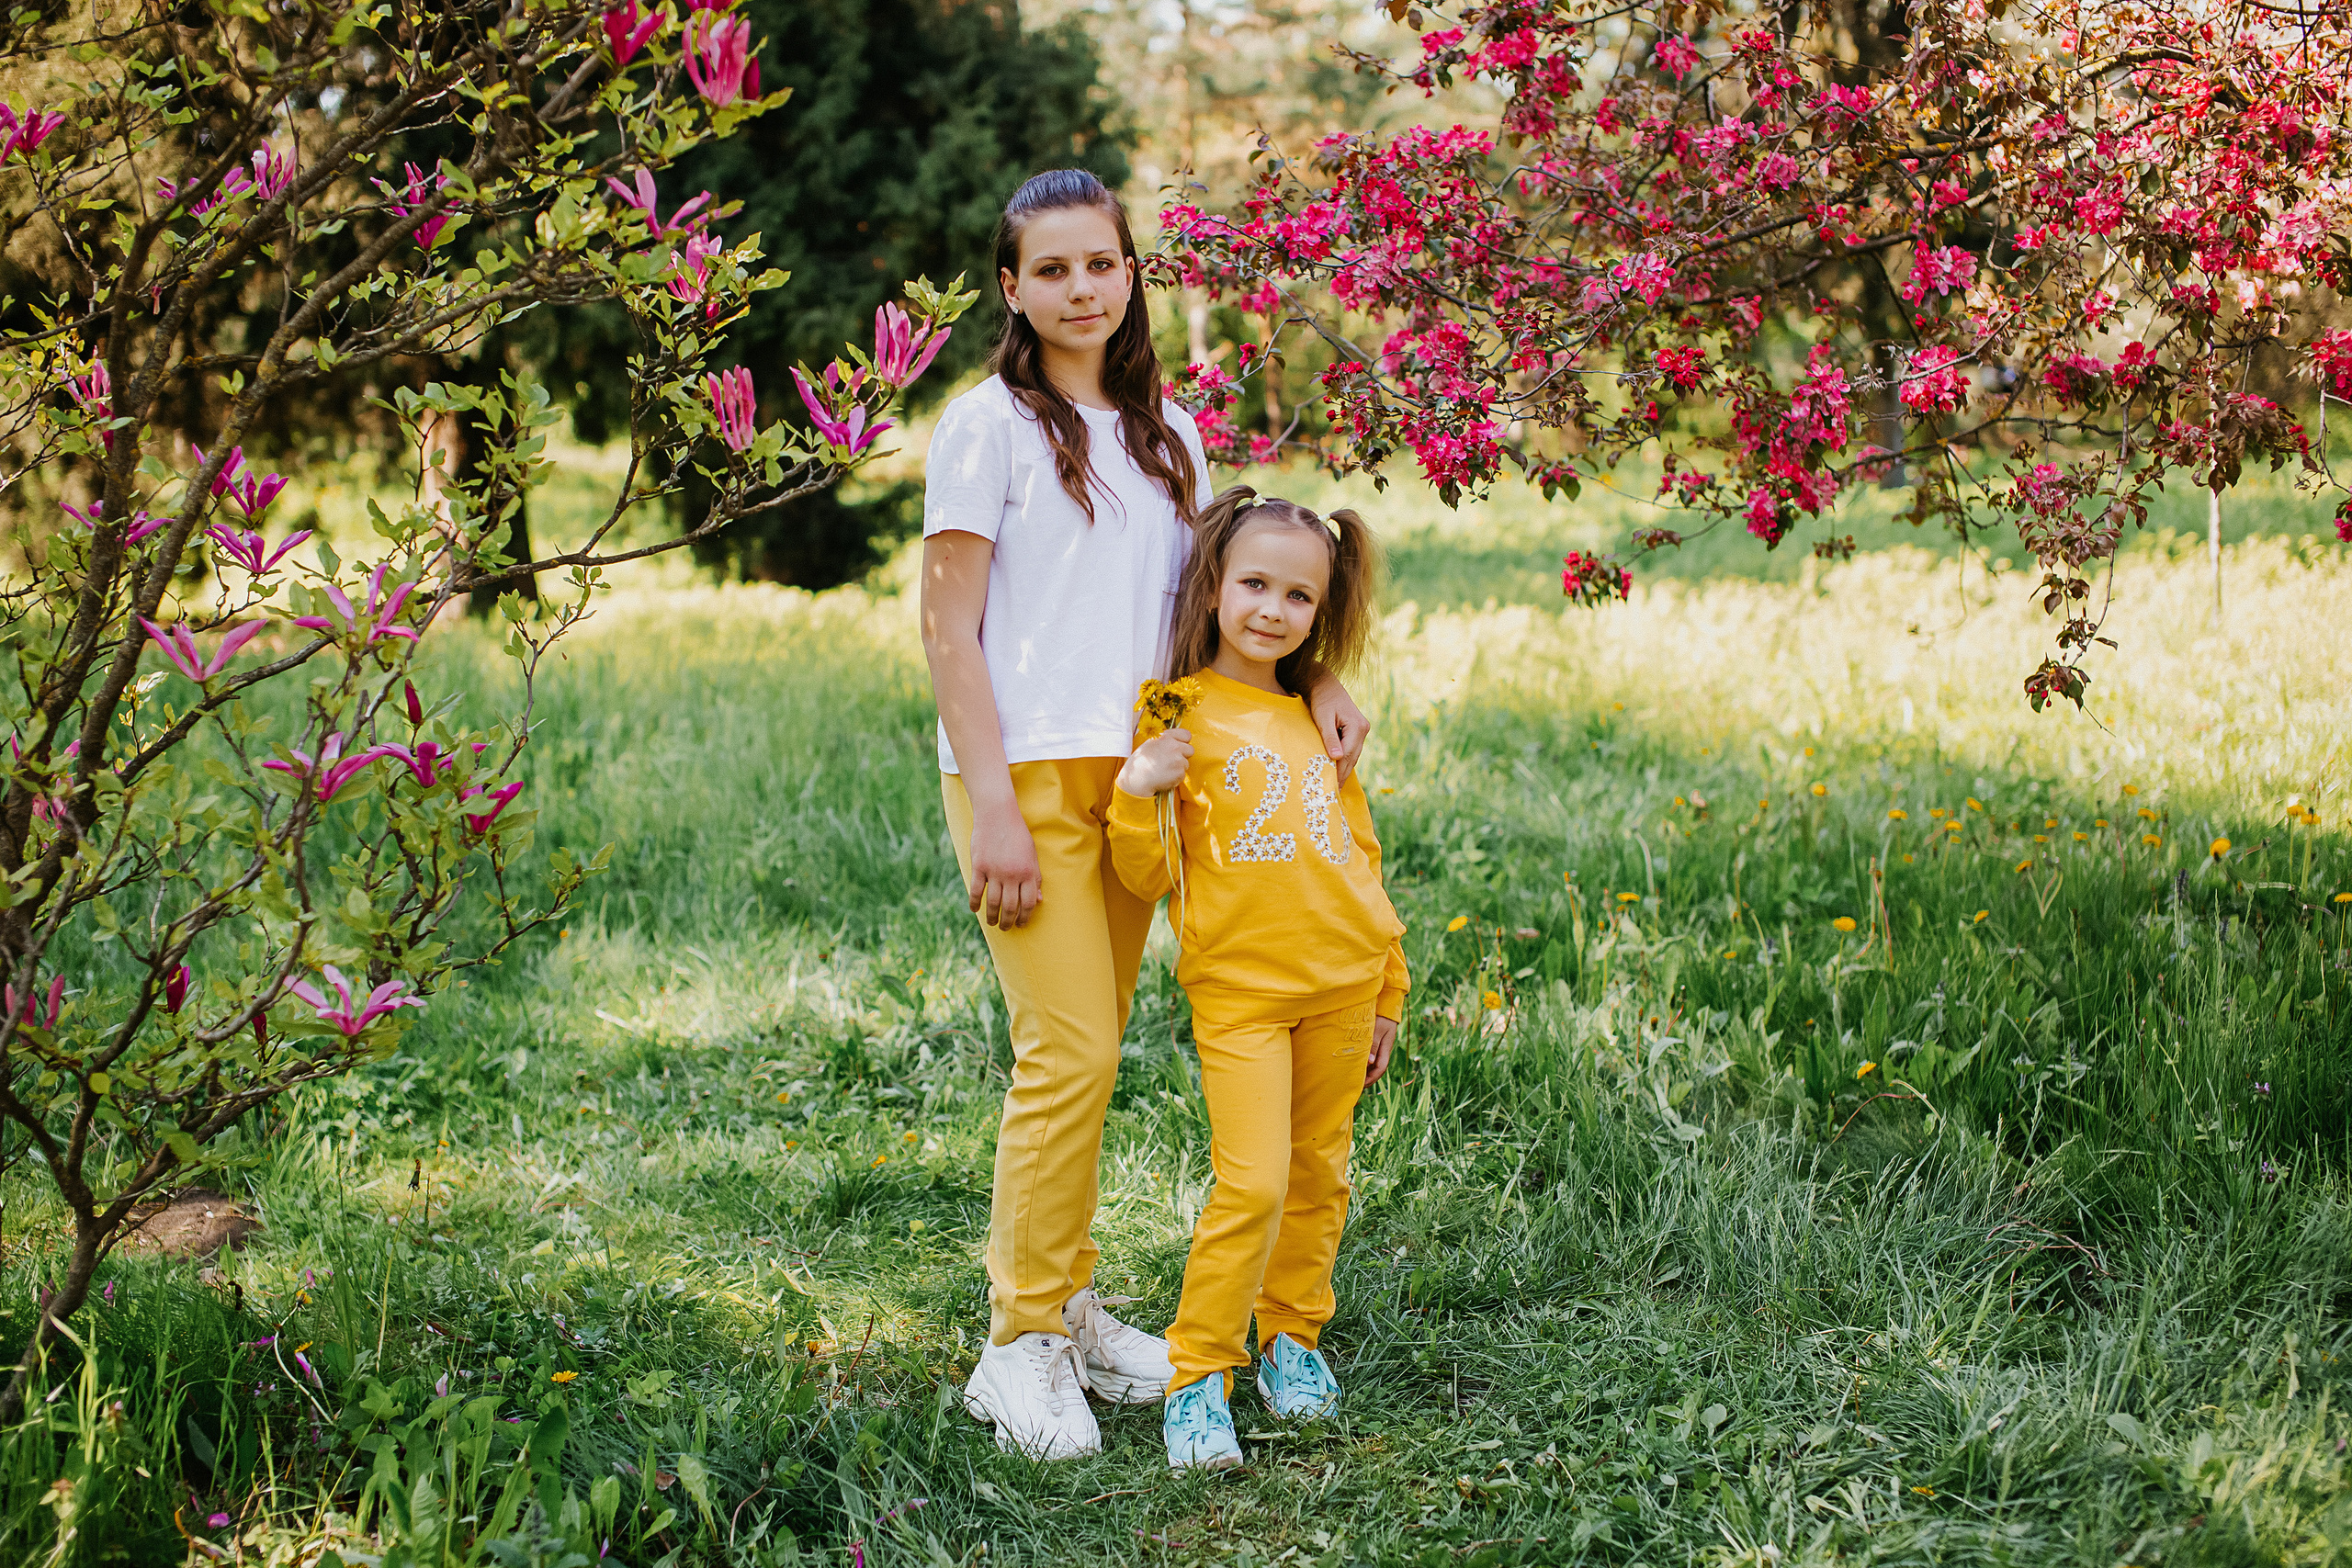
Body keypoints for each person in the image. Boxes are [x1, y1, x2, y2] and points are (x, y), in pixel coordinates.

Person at [919, 169, 1373, 1461]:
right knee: (1066, 1051)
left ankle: (1067, 1304)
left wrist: (1316, 674)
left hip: (1145, 782)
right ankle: (1018, 1343)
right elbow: (948, 627)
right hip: (1021, 781)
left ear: (1131, 273)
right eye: (1051, 269)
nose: (1081, 288)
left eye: (1101, 263)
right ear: (1011, 289)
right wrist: (993, 807)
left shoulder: (1168, 431)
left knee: (1098, 1047)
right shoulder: (985, 427)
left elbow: (1221, 601)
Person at [1104, 486, 1407, 1472]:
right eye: (1255, 585)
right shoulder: (1176, 712)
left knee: (1318, 1175)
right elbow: (1145, 875)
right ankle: (1199, 1373)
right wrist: (1136, 789)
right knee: (1256, 1183)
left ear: (1320, 613)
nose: (1273, 610)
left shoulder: (1322, 719)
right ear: (1213, 586)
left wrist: (1389, 990)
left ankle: (1291, 1337)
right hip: (1240, 996)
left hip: (1343, 986)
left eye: (1298, 597)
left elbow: (1359, 858)